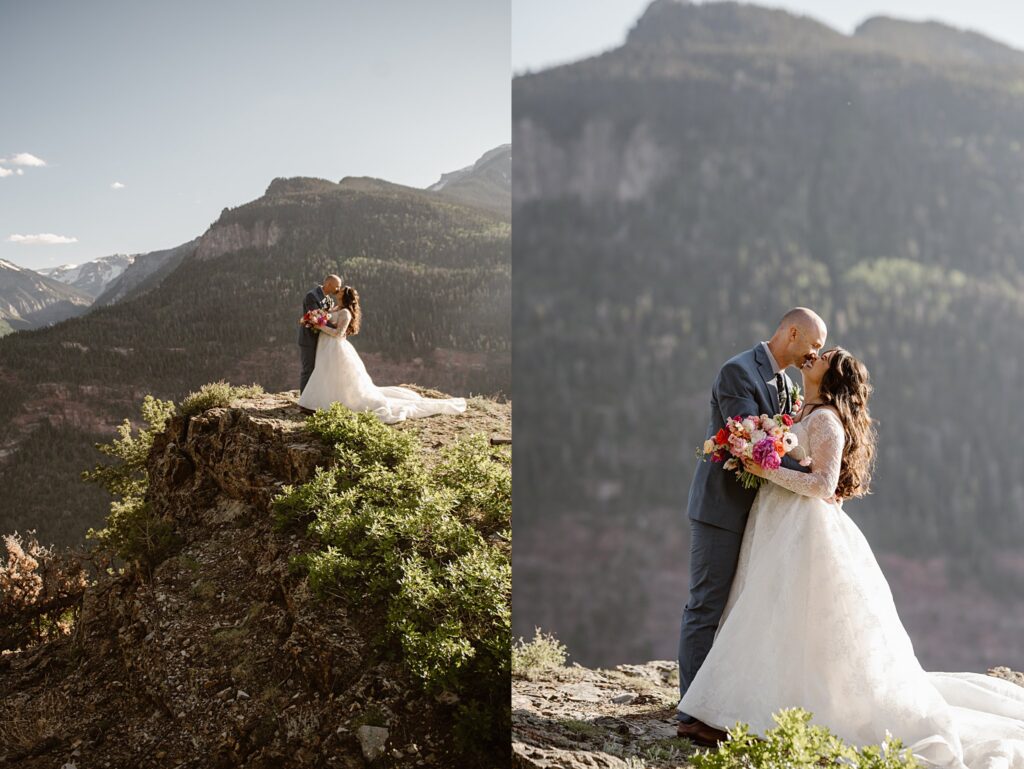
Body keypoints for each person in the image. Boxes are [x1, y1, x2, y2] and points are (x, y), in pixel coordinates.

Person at [678, 347, 1024, 768]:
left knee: (786, 615)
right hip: (778, 523)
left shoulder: (825, 420)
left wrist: (765, 467)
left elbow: (823, 485)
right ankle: (735, 705)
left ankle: (741, 712)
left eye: (822, 355)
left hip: (803, 528)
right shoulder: (804, 409)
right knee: (770, 613)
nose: (813, 356)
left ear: (832, 376)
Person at [677, 308, 826, 746]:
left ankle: (720, 702)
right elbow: (752, 443)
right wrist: (809, 471)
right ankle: (690, 711)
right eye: (813, 344)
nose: (814, 354)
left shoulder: (784, 383)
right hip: (722, 510)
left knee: (741, 610)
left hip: (763, 514)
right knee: (705, 606)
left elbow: (782, 435)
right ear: (793, 332)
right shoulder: (738, 372)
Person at [296, 285, 467, 424]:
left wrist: (320, 326)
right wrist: (315, 319)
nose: (336, 291)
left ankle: (327, 402)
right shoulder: (337, 307)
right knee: (327, 374)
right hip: (326, 347)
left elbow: (340, 333)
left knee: (338, 376)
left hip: (336, 346)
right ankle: (320, 401)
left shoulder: (346, 313)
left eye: (339, 291)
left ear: (344, 296)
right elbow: (327, 317)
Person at [298, 274, 343, 396]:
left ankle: (314, 397)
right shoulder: (312, 296)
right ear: (328, 284)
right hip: (309, 340)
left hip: (322, 340)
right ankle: (304, 399)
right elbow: (317, 318)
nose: (338, 289)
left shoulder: (328, 298)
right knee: (308, 369)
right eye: (337, 286)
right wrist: (338, 329)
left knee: (320, 370)